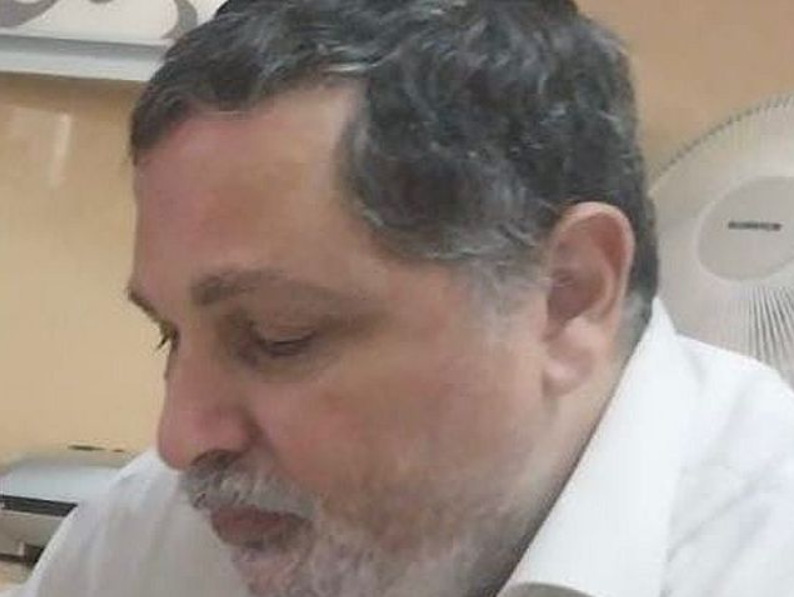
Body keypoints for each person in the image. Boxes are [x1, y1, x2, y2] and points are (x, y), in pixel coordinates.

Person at [10, 1, 794, 596]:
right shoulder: (143, 543)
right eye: (170, 335)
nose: (179, 438)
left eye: (280, 335)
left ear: (567, 293)